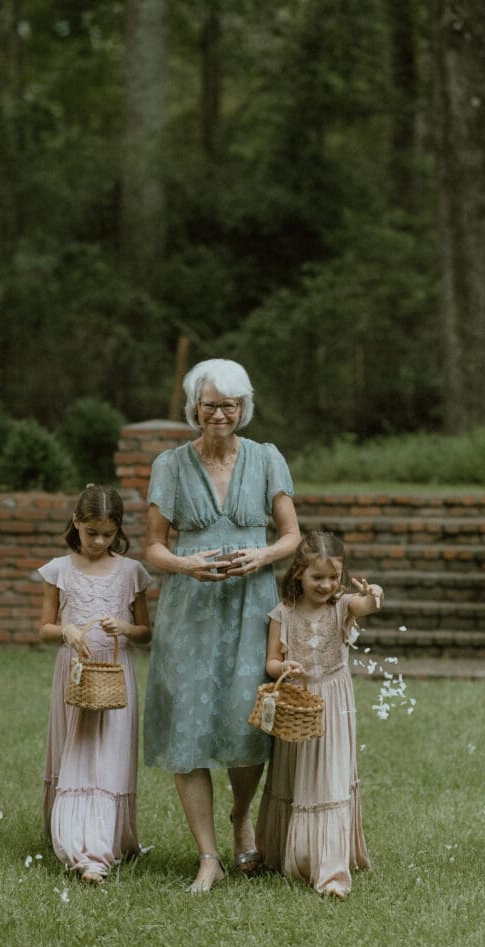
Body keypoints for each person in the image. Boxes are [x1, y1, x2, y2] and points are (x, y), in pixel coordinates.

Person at [143, 358, 301, 893]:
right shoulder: (169, 464)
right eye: (209, 405)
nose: (219, 414)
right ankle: (207, 855)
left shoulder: (266, 458)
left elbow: (292, 536)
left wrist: (261, 559)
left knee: (246, 719)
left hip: (252, 603)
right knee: (187, 724)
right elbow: (153, 546)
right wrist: (186, 564)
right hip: (189, 607)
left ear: (243, 409)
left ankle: (241, 816)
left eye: (229, 405)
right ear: (194, 408)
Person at [255, 531, 383, 898]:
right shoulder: (283, 613)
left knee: (328, 774)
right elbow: (270, 662)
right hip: (298, 702)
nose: (326, 585)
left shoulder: (342, 607)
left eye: (333, 577)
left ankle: (329, 869)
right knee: (294, 776)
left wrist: (374, 594)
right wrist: (283, 668)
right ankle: (286, 852)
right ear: (298, 574)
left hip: (333, 699)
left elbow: (367, 605)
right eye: (317, 577)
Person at [38, 485, 153, 885]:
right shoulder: (60, 570)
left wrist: (124, 627)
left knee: (109, 756)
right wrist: (66, 631)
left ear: (118, 530)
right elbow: (44, 627)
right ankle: (74, 841)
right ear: (76, 523)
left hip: (115, 672)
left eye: (107, 534)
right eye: (91, 534)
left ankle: (102, 844)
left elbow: (145, 632)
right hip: (75, 672)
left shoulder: (131, 571)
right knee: (77, 749)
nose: (99, 542)